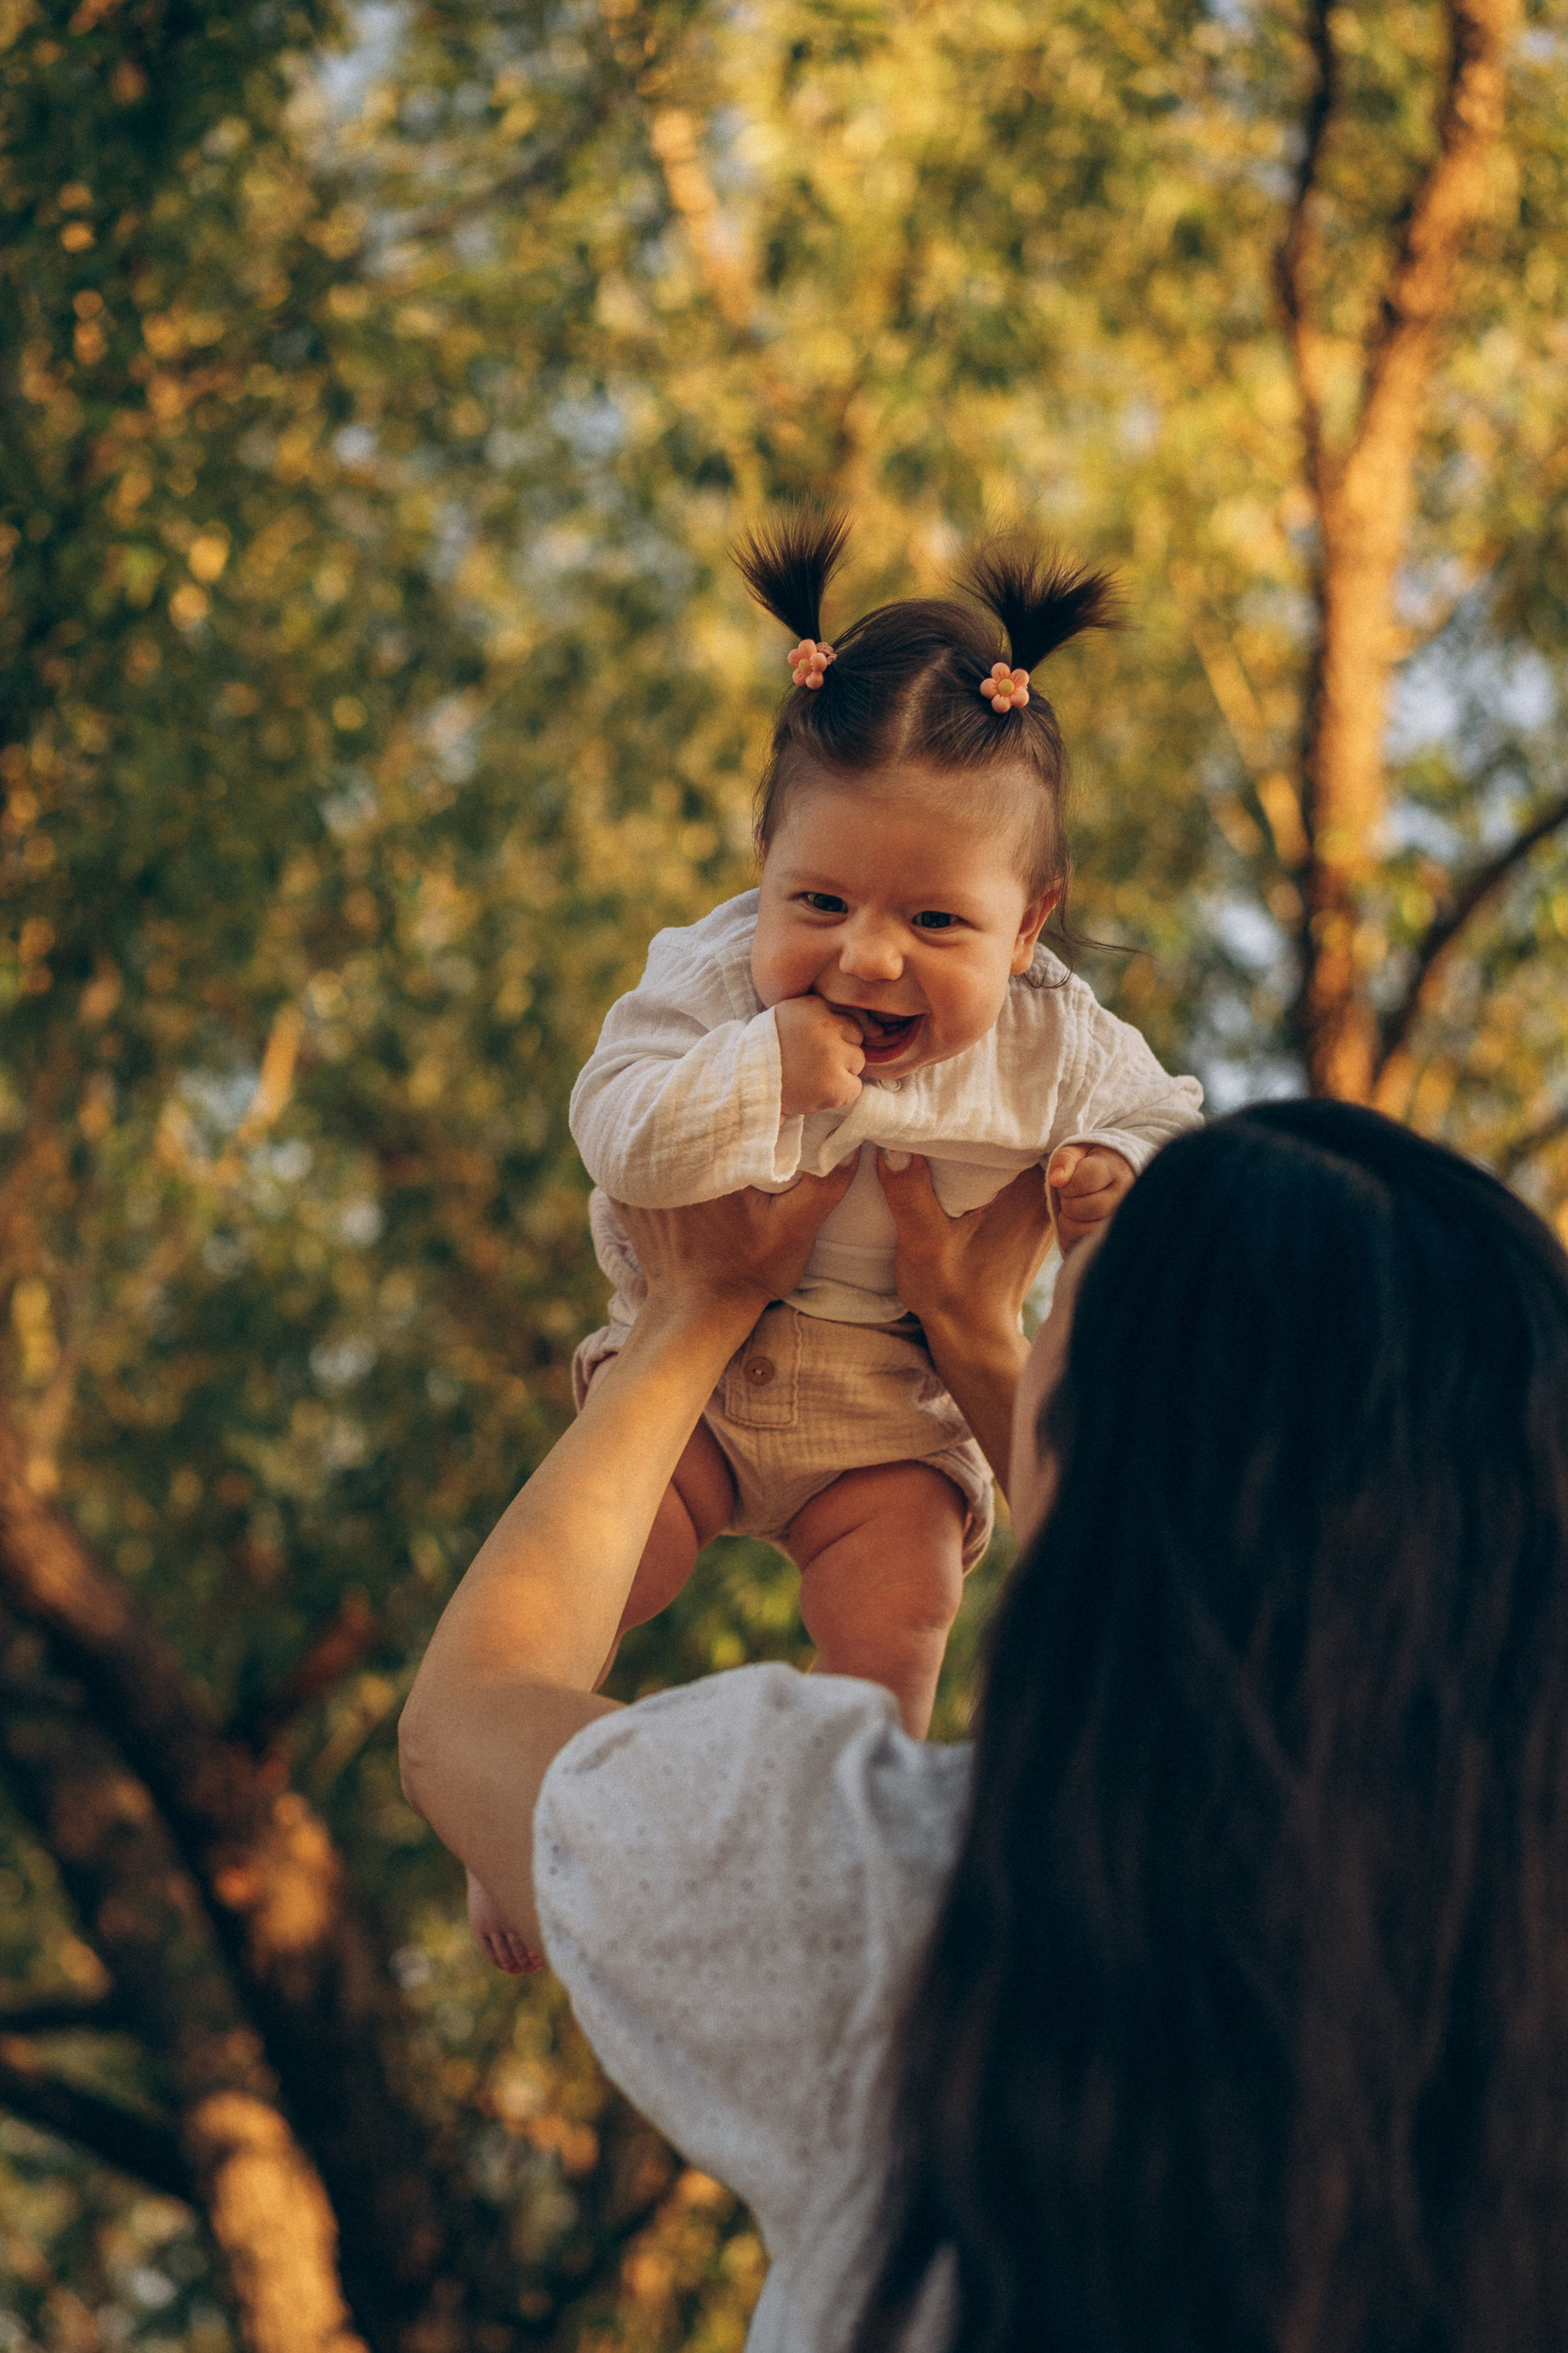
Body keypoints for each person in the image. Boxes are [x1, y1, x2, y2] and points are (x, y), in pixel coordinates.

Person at [399, 1101, 1568, 2353]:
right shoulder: (1508, 2001)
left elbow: (465, 1715)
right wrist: (965, 1330)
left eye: (1050, 1328)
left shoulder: (900, 1912)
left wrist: (696, 1309)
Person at [568, 511, 1200, 1732]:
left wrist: (1123, 1167)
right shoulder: (708, 980)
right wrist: (764, 1070)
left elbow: (1171, 1121)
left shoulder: (1054, 1035)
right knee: (601, 1554)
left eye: (936, 922)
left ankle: (841, 1817)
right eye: (818, 898)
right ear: (764, 864)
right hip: (685, 1385)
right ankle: (524, 1775)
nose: (864, 957)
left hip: (895, 1421)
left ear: (1026, 927)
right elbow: (613, 1126)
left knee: (902, 1613)